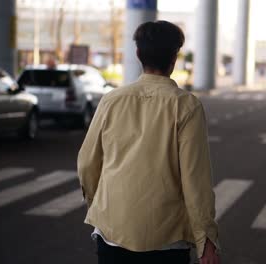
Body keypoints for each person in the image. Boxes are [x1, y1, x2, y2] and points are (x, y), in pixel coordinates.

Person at [78, 20, 220, 264]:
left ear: (138, 54)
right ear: (174, 58)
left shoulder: (111, 101)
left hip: (112, 233)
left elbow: (87, 164)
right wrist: (205, 240)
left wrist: (101, 205)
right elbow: (196, 181)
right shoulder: (185, 105)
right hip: (166, 239)